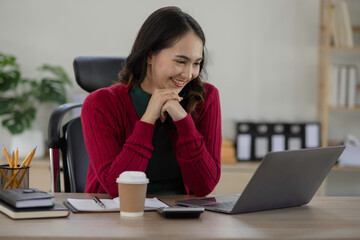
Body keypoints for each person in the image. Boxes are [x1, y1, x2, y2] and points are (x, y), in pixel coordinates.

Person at [81, 6, 221, 198]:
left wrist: (183, 121)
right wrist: (147, 120)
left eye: (196, 63)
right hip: (116, 217)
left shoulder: (206, 98)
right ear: (149, 55)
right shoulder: (99, 104)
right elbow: (117, 189)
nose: (189, 74)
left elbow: (205, 186)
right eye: (180, 61)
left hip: (180, 218)